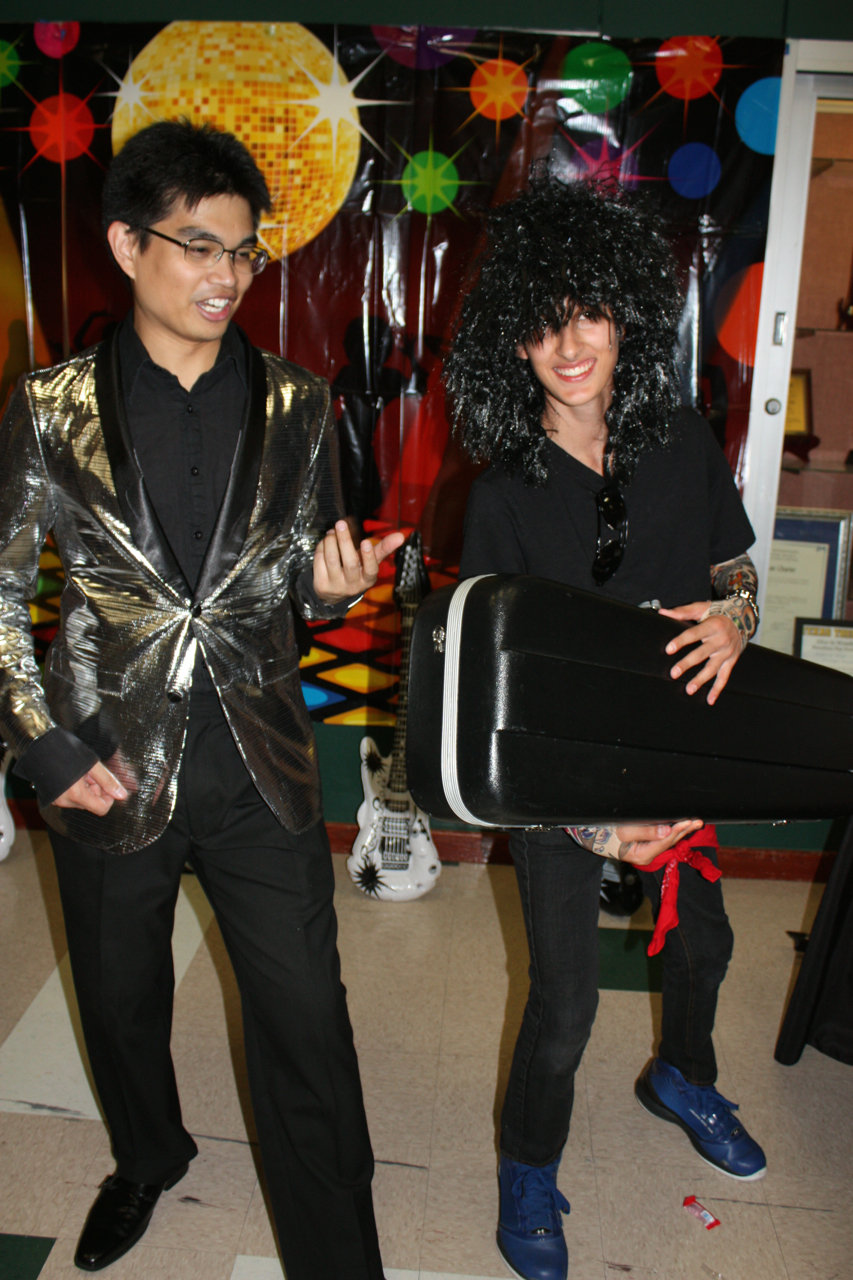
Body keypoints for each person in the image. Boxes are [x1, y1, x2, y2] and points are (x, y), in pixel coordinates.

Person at [0, 120, 402, 1279]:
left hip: (257, 759)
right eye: (198, 245)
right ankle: (147, 1153)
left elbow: (296, 588)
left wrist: (330, 593)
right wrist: (45, 748)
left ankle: (338, 1258)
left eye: (243, 250)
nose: (226, 274)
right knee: (120, 996)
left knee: (306, 1015)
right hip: (102, 757)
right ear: (128, 246)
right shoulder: (48, 406)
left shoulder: (301, 406)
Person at [445, 176, 765, 1280]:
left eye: (587, 313)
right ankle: (528, 1163)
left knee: (707, 944)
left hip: (677, 747)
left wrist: (733, 619)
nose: (569, 344)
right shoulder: (503, 493)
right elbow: (496, 695)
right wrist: (595, 831)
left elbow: (734, 568)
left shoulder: (681, 439)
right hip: (556, 775)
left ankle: (682, 1074)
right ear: (512, 341)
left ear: (624, 314)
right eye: (542, 323)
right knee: (567, 1001)